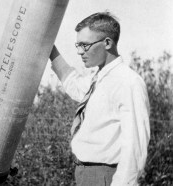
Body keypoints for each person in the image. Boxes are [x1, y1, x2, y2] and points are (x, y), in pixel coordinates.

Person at [49, 12, 150, 186]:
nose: (80, 51)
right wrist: (48, 47)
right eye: (78, 45)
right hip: (85, 174)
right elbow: (73, 83)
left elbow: (135, 146)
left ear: (108, 43)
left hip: (106, 176)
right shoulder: (98, 78)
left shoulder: (128, 82)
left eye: (85, 45)